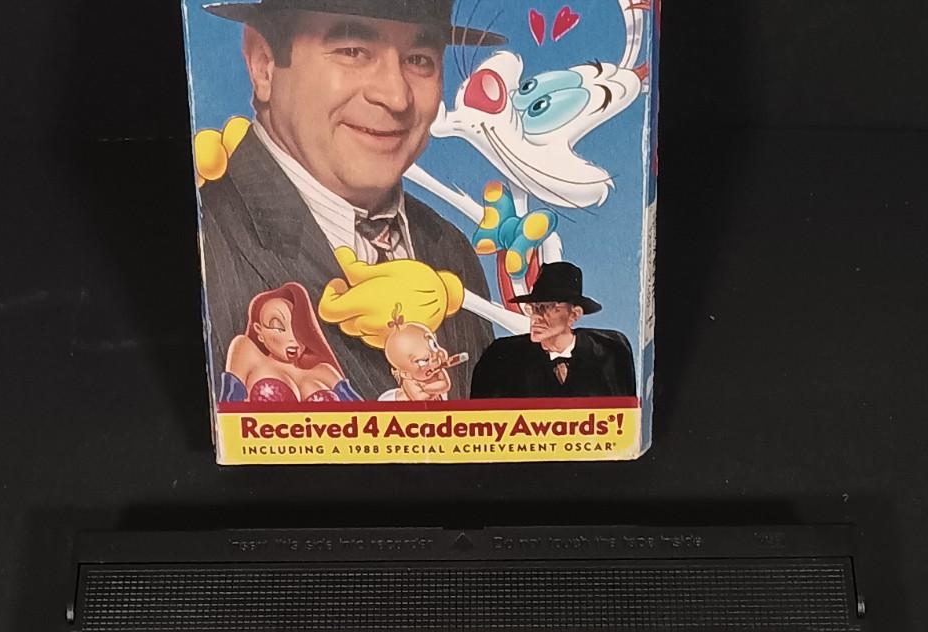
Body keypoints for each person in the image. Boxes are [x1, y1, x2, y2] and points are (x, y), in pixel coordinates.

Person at [198, 0, 501, 399]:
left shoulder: (449, 247)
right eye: (353, 51)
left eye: (419, 59)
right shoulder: (204, 232)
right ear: (264, 64)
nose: (396, 97)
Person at [469, 261, 637, 399]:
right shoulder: (502, 357)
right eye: (533, 308)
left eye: (547, 308)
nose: (536, 317)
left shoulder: (610, 352)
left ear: (574, 315)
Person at [220, 282, 363, 404]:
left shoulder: (325, 372)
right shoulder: (247, 351)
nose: (292, 338)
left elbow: (366, 415)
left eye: (298, 328)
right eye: (278, 327)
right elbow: (228, 409)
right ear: (259, 331)